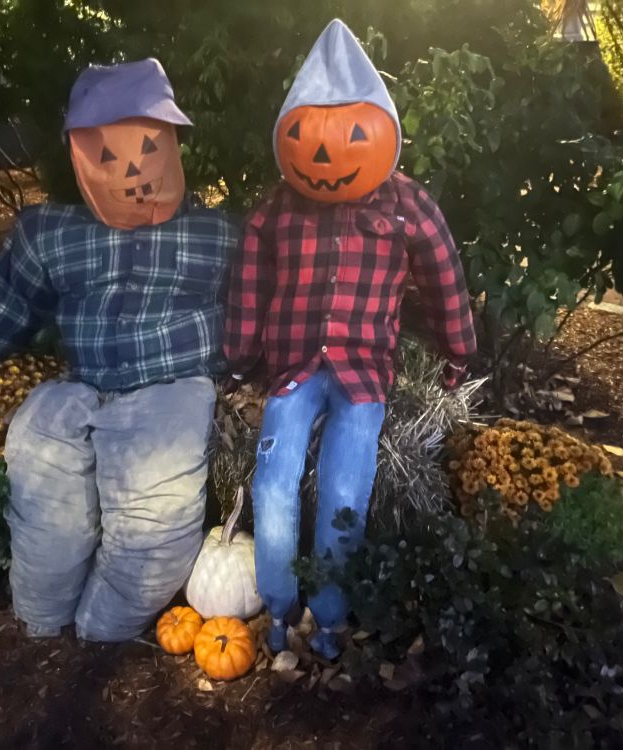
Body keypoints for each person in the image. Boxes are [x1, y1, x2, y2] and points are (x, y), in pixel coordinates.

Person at [0, 59, 238, 641]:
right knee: (42, 486)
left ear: (174, 145)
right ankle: (42, 617)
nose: (132, 168)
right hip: (79, 383)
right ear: (78, 160)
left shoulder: (218, 236)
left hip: (172, 386)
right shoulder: (50, 233)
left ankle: (104, 628)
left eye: (146, 146)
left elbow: (260, 310)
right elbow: (1, 310)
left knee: (154, 520)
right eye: (108, 156)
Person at [223, 19, 477, 660]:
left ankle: (330, 613)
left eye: (355, 136)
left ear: (384, 132)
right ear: (288, 136)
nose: (329, 155)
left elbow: (443, 275)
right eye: (307, 138)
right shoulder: (276, 209)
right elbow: (249, 283)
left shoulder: (405, 204)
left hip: (365, 373)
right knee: (274, 481)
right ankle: (279, 607)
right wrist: (237, 357)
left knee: (345, 485)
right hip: (293, 369)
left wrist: (456, 352)